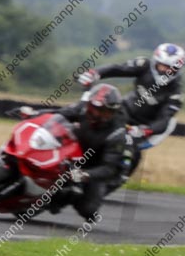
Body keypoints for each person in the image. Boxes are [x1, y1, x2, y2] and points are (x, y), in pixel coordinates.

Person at [23, 84, 128, 219]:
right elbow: (58, 114)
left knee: (88, 210)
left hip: (93, 166)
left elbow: (109, 168)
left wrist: (84, 175)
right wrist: (34, 114)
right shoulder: (82, 108)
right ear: (89, 105)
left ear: (113, 112)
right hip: (69, 152)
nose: (97, 114)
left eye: (104, 112)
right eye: (94, 109)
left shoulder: (117, 133)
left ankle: (62, 199)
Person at [78, 43, 185, 174]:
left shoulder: (176, 93)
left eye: (170, 68)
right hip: (125, 110)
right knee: (90, 120)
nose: (164, 70)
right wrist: (95, 73)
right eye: (162, 65)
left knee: (127, 145)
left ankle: (115, 174)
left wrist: (145, 130)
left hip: (143, 126)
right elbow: (118, 68)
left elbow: (164, 121)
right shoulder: (144, 65)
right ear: (155, 62)